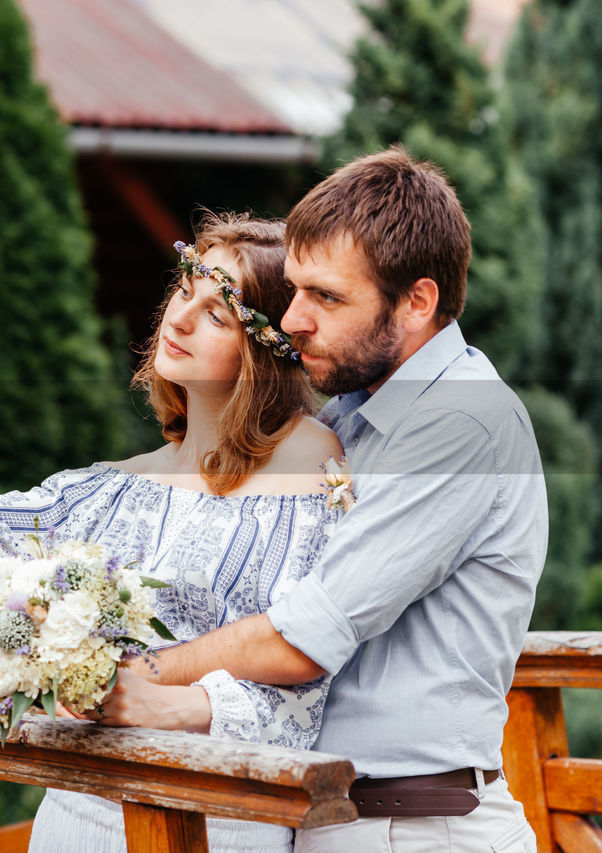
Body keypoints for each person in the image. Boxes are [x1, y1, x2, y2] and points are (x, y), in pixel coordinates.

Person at [0, 212, 345, 852]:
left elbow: (309, 681)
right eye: (185, 291)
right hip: (77, 815)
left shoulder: (310, 481)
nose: (179, 319)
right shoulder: (112, 491)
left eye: (218, 313)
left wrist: (183, 703)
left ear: (267, 350)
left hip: (219, 821)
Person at [144, 148, 547, 852]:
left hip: (416, 828)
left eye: (326, 297)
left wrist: (141, 673)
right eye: (295, 289)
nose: (293, 319)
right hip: (332, 817)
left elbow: (304, 634)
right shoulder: (349, 417)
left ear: (417, 301)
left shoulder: (462, 420)